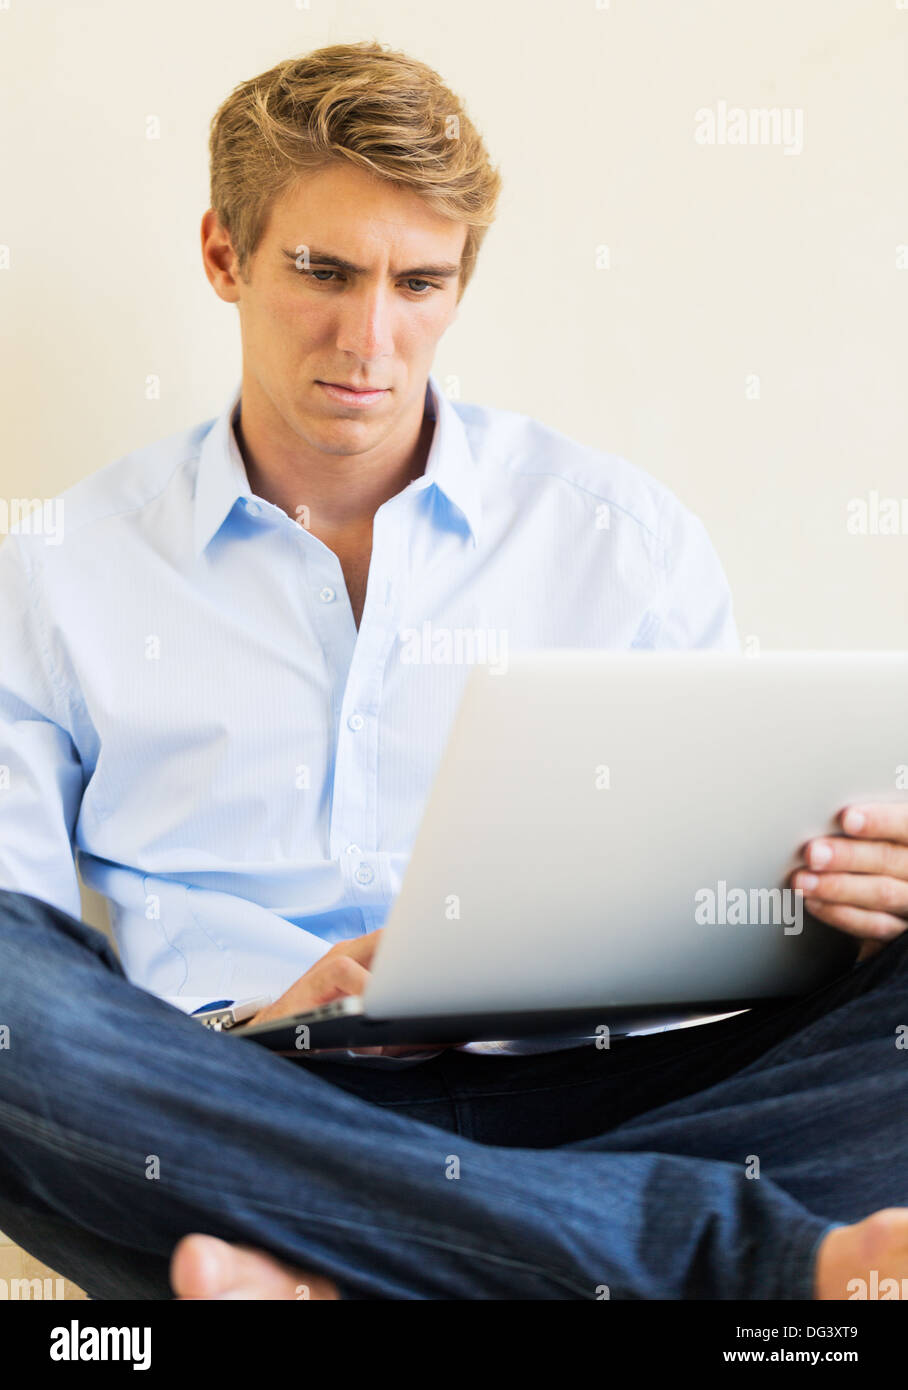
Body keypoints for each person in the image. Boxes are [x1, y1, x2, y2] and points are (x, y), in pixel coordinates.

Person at [0, 41, 905, 1301]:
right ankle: (695, 1257)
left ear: (459, 283)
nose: (369, 337)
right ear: (224, 254)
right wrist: (249, 1023)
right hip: (242, 1093)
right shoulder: (57, 570)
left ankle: (352, 1267)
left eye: (418, 282)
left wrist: (846, 906)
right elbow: (21, 937)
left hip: (612, 1092)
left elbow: (734, 913)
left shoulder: (619, 540)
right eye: (322, 270)